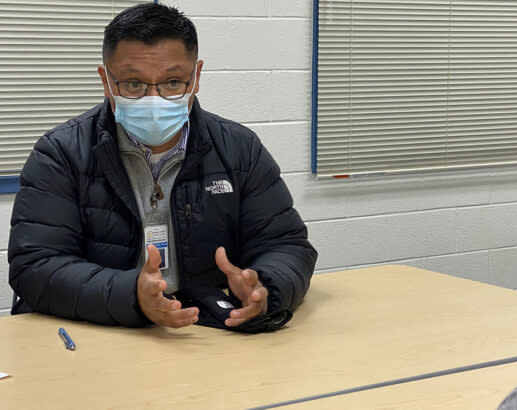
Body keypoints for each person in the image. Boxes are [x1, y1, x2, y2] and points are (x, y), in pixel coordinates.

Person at [8, 2, 317, 333]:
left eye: (172, 82)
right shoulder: (61, 153)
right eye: (133, 83)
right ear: (106, 80)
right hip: (98, 333)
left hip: (202, 330)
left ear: (196, 77)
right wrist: (133, 296)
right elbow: (36, 267)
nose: (153, 99)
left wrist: (265, 289)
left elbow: (286, 244)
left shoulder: (239, 149)